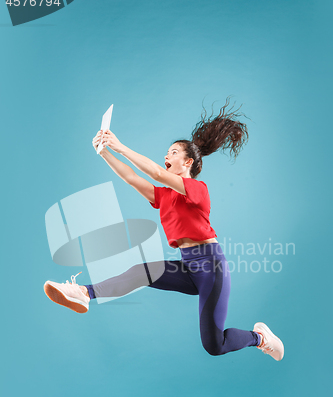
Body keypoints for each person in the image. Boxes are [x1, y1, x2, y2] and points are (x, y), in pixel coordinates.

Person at [44, 100, 284, 361]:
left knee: (214, 345)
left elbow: (157, 173)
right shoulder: (164, 196)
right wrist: (104, 152)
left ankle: (260, 338)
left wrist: (119, 146)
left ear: (188, 161)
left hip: (210, 267)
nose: (166, 156)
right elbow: (132, 178)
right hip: (188, 266)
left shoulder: (198, 189)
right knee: (142, 271)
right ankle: (84, 292)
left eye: (173, 152)